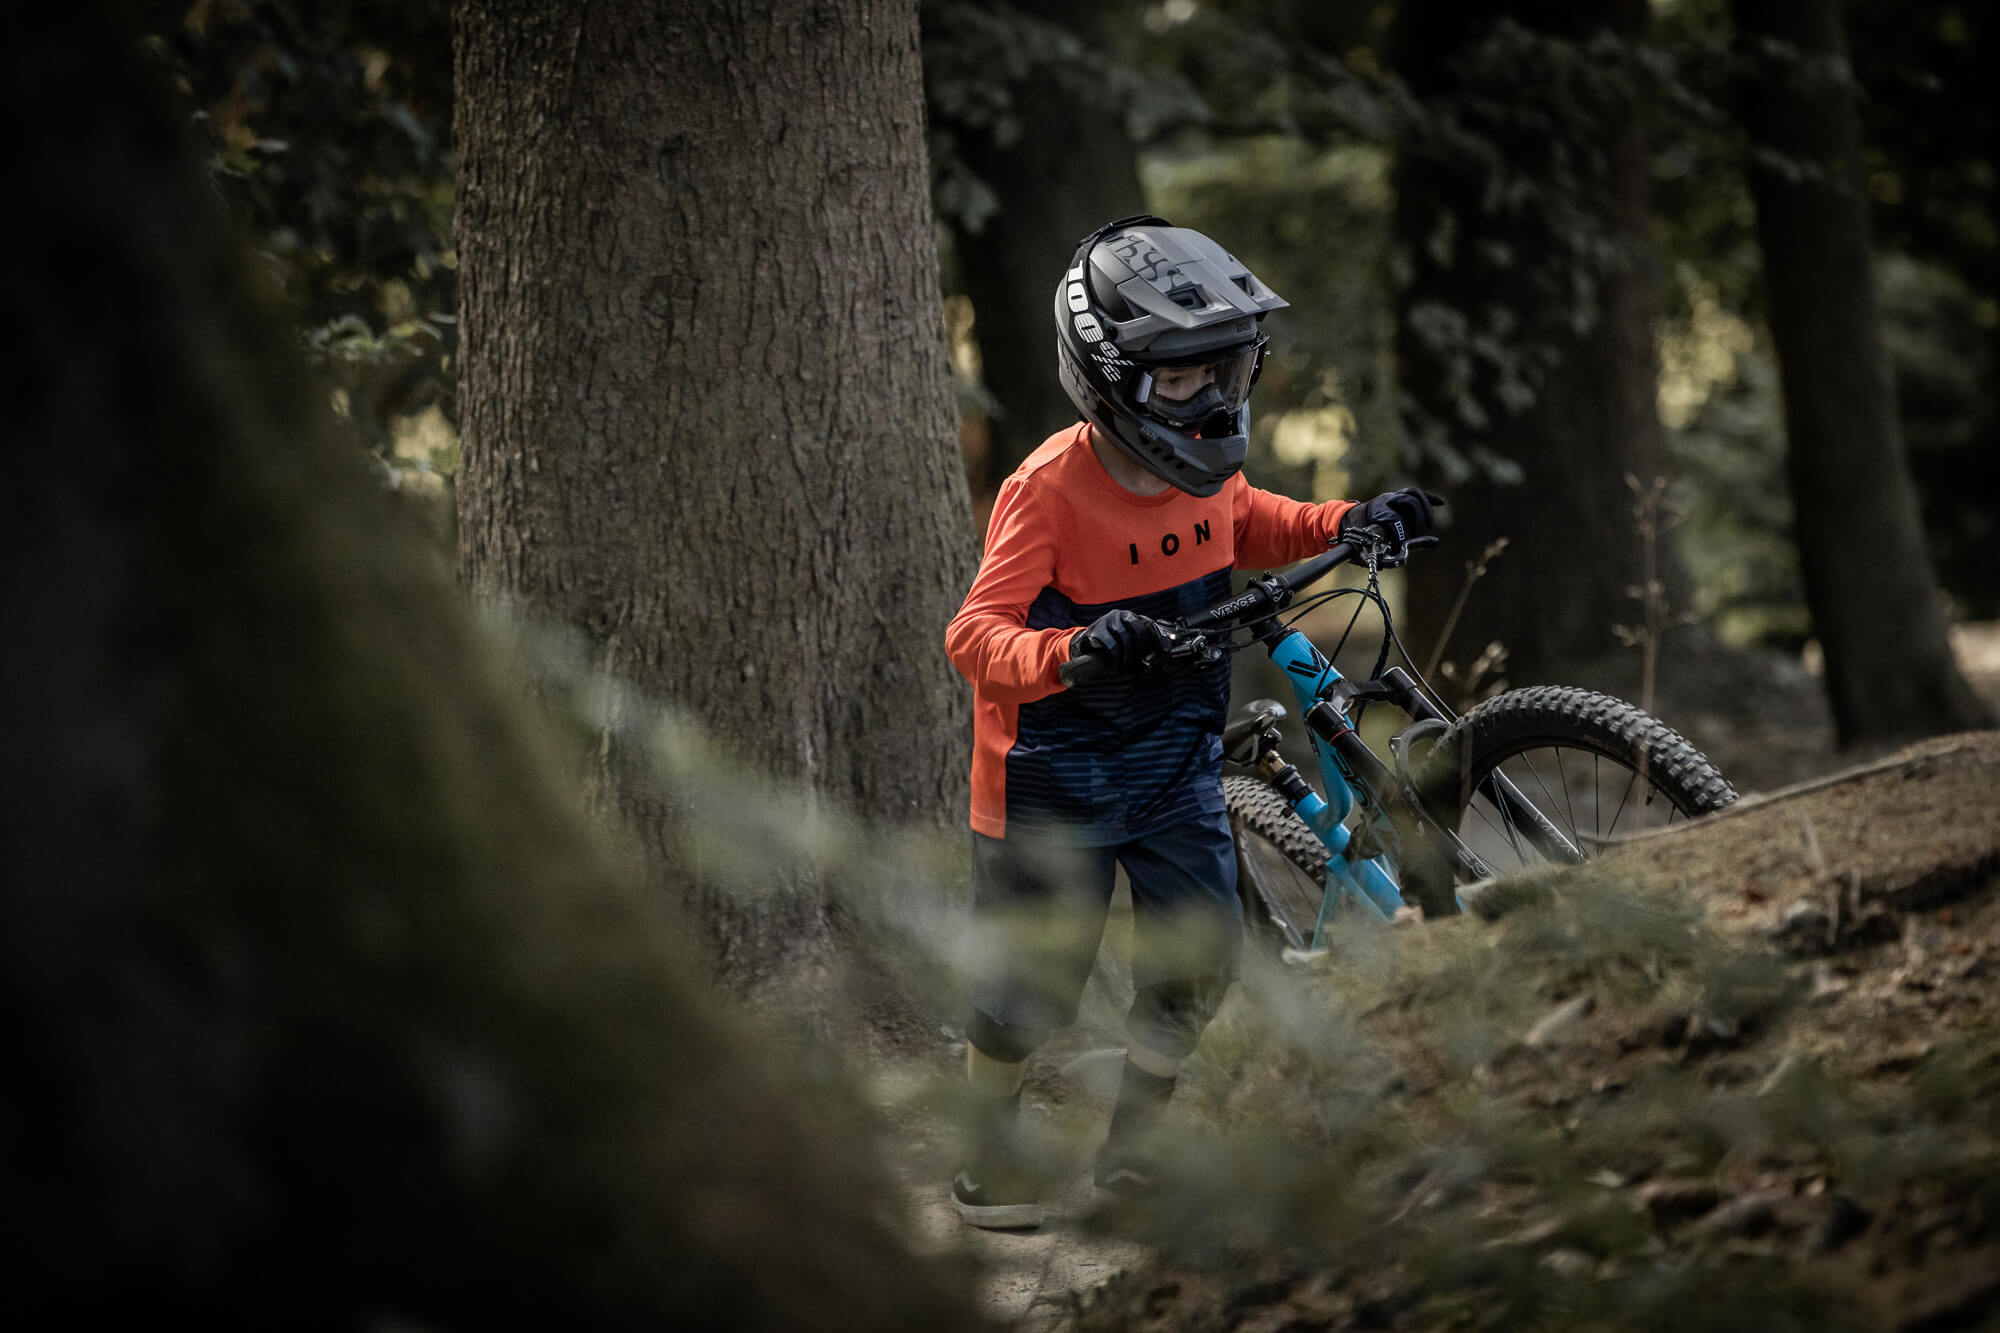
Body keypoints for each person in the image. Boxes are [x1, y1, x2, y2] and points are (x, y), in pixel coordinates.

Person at [942, 215, 1441, 1229]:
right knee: (1028, 991)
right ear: (1111, 375)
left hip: (1172, 761)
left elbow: (1248, 517)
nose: (1212, 400)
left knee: (1197, 961)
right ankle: (981, 1150)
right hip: (1053, 779)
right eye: (1182, 379)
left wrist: (1349, 521)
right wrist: (1068, 651)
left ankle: (1134, 1151)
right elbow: (971, 636)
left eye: (1227, 370)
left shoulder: (1201, 474)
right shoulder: (1043, 493)